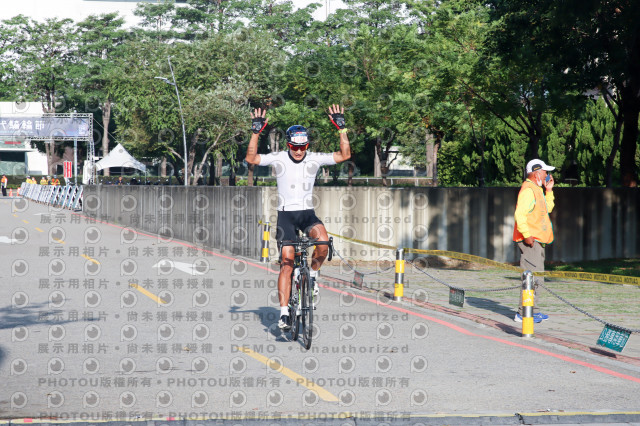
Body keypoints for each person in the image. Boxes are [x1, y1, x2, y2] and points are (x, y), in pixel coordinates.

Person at [245, 104, 351, 330]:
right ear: (288, 144)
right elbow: (251, 159)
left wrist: (342, 129)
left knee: (323, 244)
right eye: (294, 146)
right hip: (286, 217)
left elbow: (345, 155)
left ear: (307, 146)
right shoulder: (279, 158)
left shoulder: (314, 158)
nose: (299, 151)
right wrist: (255, 134)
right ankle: (284, 312)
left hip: (307, 215)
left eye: (303, 147)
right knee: (286, 262)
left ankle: (312, 275)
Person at [513, 158, 556, 323]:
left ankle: (532, 311)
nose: (547, 174)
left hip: (537, 241)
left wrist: (549, 190)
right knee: (531, 278)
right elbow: (519, 215)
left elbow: (548, 209)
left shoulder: (537, 190)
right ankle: (523, 313)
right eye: (545, 171)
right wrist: (527, 236)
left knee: (537, 278)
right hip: (531, 241)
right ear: (537, 172)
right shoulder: (529, 190)